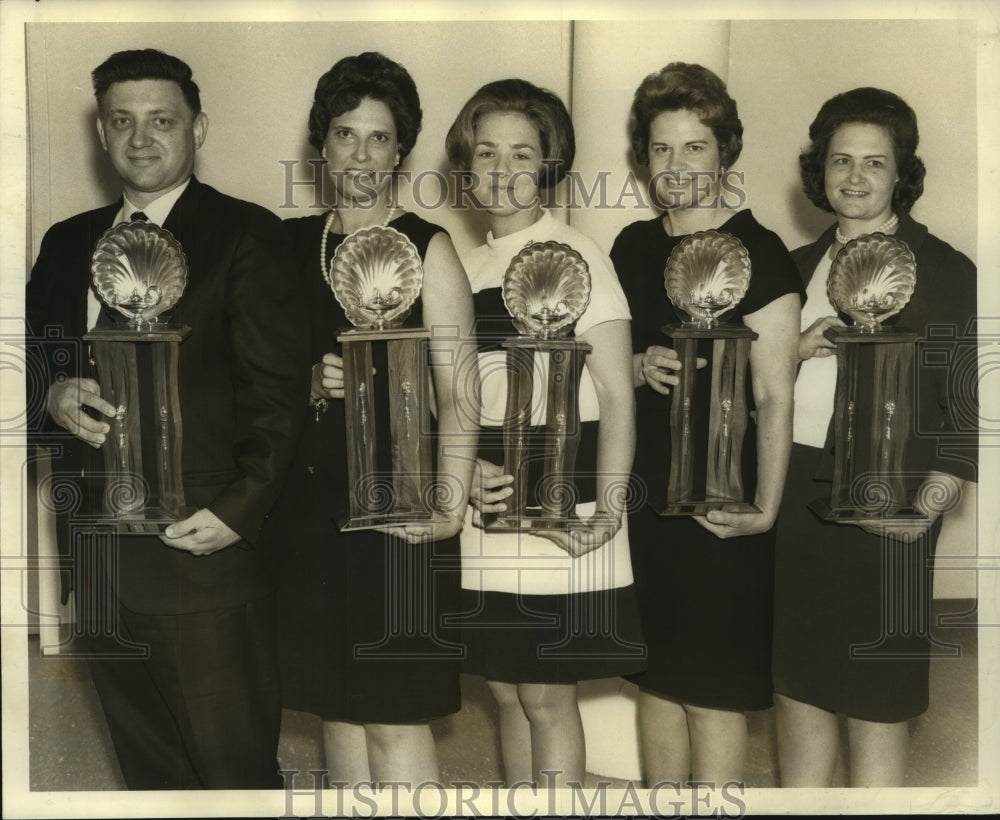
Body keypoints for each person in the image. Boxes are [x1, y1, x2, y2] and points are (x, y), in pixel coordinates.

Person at [24, 49, 309, 789]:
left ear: (197, 127)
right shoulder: (64, 244)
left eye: (161, 120)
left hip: (203, 554)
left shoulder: (247, 234)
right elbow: (31, 374)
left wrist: (238, 512)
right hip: (97, 557)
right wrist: (52, 397)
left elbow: (279, 395)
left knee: (233, 774)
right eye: (122, 121)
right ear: (101, 131)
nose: (140, 138)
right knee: (148, 779)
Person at [267, 52, 477, 786]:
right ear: (321, 145)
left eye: (379, 138)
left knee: (394, 715)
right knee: (338, 715)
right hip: (311, 516)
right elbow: (259, 383)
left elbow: (460, 393)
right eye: (346, 134)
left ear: (401, 150)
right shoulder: (289, 248)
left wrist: (450, 506)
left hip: (403, 510)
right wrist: (311, 385)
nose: (361, 153)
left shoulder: (429, 246)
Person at [771, 87, 977, 787]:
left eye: (874, 163)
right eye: (840, 161)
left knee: (877, 692)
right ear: (819, 169)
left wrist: (929, 507)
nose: (854, 178)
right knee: (797, 683)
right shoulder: (792, 269)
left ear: (901, 175)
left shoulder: (946, 270)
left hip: (892, 502)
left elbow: (965, 410)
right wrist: (789, 350)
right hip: (792, 491)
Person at [444, 78, 646, 788]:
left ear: (550, 164)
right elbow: (453, 398)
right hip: (487, 497)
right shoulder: (464, 264)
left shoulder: (577, 253)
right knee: (503, 686)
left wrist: (611, 512)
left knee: (546, 691)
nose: (501, 171)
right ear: (466, 166)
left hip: (565, 493)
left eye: (521, 154)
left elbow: (620, 395)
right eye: (486, 152)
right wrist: (462, 475)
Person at [608, 62, 803, 784]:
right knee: (656, 681)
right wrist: (631, 367)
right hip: (645, 497)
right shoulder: (629, 247)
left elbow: (775, 395)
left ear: (724, 152)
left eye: (695, 147)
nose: (678, 164)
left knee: (715, 694)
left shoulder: (763, 252)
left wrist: (765, 508)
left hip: (725, 504)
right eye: (662, 149)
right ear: (643, 159)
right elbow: (601, 362)